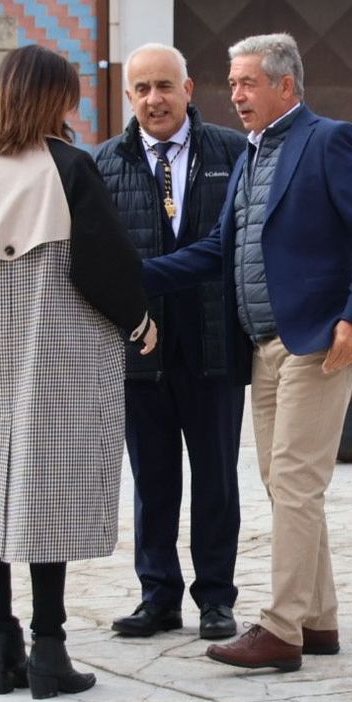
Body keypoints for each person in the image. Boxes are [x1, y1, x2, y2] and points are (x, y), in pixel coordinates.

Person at [142, 32, 352, 673]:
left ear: (286, 85)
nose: (235, 95)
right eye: (231, 83)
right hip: (262, 346)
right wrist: (137, 274)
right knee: (285, 487)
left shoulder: (328, 140)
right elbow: (219, 250)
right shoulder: (253, 155)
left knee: (295, 483)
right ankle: (319, 619)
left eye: (247, 83)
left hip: (317, 342)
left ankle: (281, 628)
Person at [0, 44, 157, 699]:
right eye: (70, 92)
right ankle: (49, 646)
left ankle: (4, 645)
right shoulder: (68, 168)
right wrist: (140, 321)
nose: (76, 102)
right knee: (48, 494)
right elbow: (104, 265)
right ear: (52, 96)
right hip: (58, 349)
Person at [93, 43, 248, 642]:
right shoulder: (104, 163)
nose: (153, 99)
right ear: (128, 97)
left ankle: (215, 598)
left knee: (216, 481)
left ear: (189, 89)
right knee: (153, 480)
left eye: (164, 86)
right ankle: (157, 595)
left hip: (213, 345)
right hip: (139, 351)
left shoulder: (233, 154)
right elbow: (96, 257)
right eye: (141, 90)